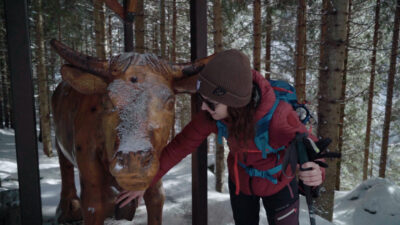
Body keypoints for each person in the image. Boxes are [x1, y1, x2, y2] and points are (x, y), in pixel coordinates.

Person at [116, 49, 324, 225]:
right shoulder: (212, 116)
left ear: (234, 104)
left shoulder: (278, 117)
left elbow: (311, 149)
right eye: (203, 100)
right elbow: (179, 147)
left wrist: (317, 171)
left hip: (279, 184)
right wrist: (147, 181)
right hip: (241, 184)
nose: (204, 107)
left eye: (211, 102)